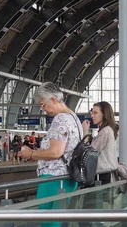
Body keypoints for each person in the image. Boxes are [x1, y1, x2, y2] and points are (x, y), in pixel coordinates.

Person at [17, 82, 82, 227]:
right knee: (58, 221)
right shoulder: (74, 118)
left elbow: (55, 152)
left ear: (53, 100)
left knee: (49, 222)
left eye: (43, 104)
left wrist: (31, 153)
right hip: (67, 178)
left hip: (54, 179)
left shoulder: (60, 119)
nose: (42, 109)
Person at [82, 101, 118, 185]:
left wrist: (85, 131)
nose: (92, 116)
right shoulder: (107, 130)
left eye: (95, 113)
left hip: (103, 175)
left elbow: (90, 152)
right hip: (105, 173)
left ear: (104, 114)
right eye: (92, 112)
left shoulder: (105, 131)